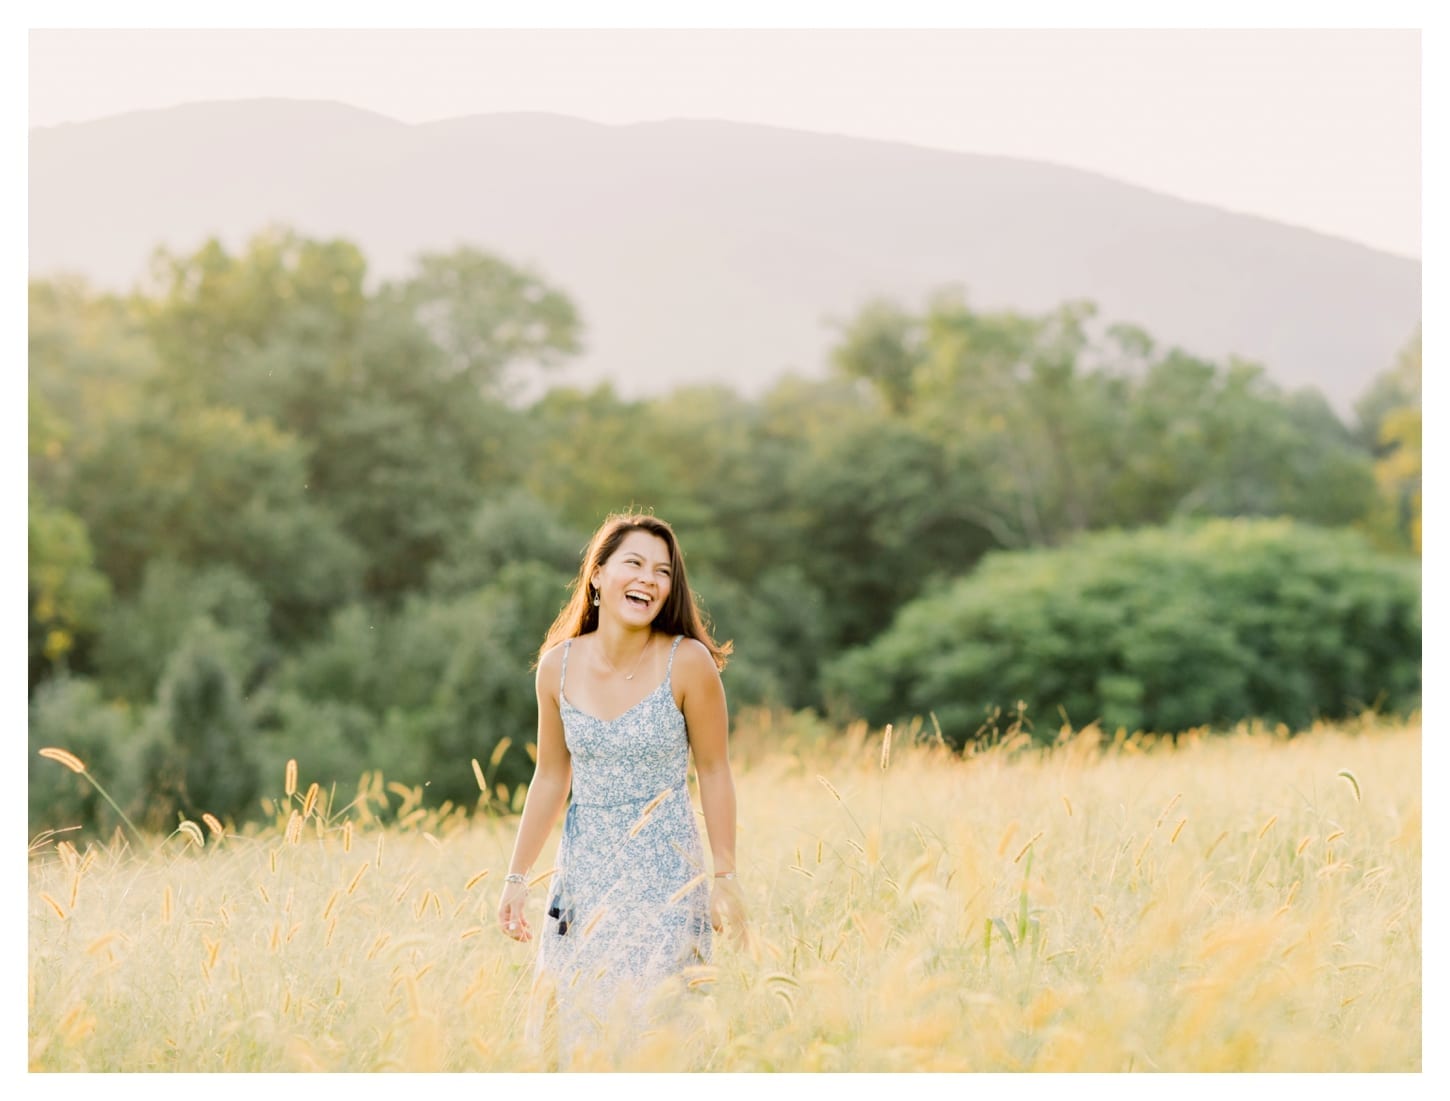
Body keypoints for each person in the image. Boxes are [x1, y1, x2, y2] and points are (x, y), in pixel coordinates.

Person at [496, 511, 746, 1064]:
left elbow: (715, 770)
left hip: (666, 882)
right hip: (583, 883)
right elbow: (550, 776)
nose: (649, 579)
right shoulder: (556, 669)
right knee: (577, 1038)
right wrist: (517, 877)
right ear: (598, 576)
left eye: (662, 571)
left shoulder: (689, 662)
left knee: (658, 1038)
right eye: (634, 563)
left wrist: (725, 876)